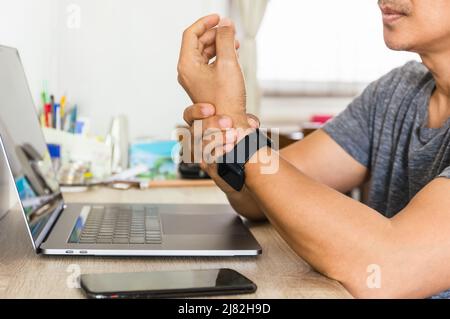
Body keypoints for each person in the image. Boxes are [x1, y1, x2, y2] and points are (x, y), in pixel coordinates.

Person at [177, 0, 450, 298]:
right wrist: (226, 123)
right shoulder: (397, 91)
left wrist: (240, 140)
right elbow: (255, 200)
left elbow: (387, 270)